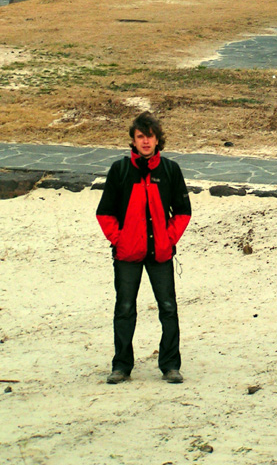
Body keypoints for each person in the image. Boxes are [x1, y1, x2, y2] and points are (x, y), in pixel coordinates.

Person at [96, 111, 191, 385]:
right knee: (124, 308)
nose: (146, 141)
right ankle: (121, 366)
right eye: (140, 137)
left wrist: (168, 239)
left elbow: (183, 211)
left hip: (160, 254)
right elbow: (105, 213)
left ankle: (171, 365)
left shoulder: (170, 170)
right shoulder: (120, 170)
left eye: (150, 136)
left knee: (168, 308)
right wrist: (120, 239)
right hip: (127, 254)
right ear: (133, 140)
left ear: (157, 139)